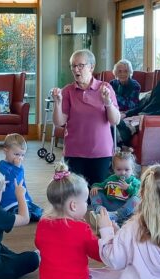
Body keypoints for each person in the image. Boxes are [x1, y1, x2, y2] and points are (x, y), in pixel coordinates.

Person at [35, 163, 115, 279]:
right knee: (114, 274)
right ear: (73, 206)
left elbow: (41, 245)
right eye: (85, 201)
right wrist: (107, 231)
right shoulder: (81, 229)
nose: (86, 205)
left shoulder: (43, 224)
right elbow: (103, 255)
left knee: (90, 272)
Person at [51, 49, 120, 186]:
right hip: (74, 153)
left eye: (80, 65)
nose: (76, 69)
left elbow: (115, 120)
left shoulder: (105, 88)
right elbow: (59, 122)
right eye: (73, 66)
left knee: (98, 197)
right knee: (75, 195)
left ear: (91, 67)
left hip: (101, 153)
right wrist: (57, 103)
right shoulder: (68, 91)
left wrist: (107, 102)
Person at [0, 133, 43, 222]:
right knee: (26, 215)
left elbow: (22, 183)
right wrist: (17, 168)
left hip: (22, 200)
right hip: (9, 203)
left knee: (39, 211)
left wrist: (27, 197)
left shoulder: (19, 166)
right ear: (5, 151)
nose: (20, 158)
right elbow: (9, 180)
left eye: (22, 155)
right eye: (16, 154)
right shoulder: (1, 166)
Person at [88, 148, 141, 225]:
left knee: (136, 199)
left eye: (126, 170)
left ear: (132, 169)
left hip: (125, 210)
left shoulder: (134, 181)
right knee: (95, 191)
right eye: (119, 169)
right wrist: (95, 187)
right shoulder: (111, 178)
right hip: (109, 207)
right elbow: (101, 186)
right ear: (114, 169)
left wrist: (128, 188)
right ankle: (100, 211)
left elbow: (139, 193)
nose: (123, 173)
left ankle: (117, 216)